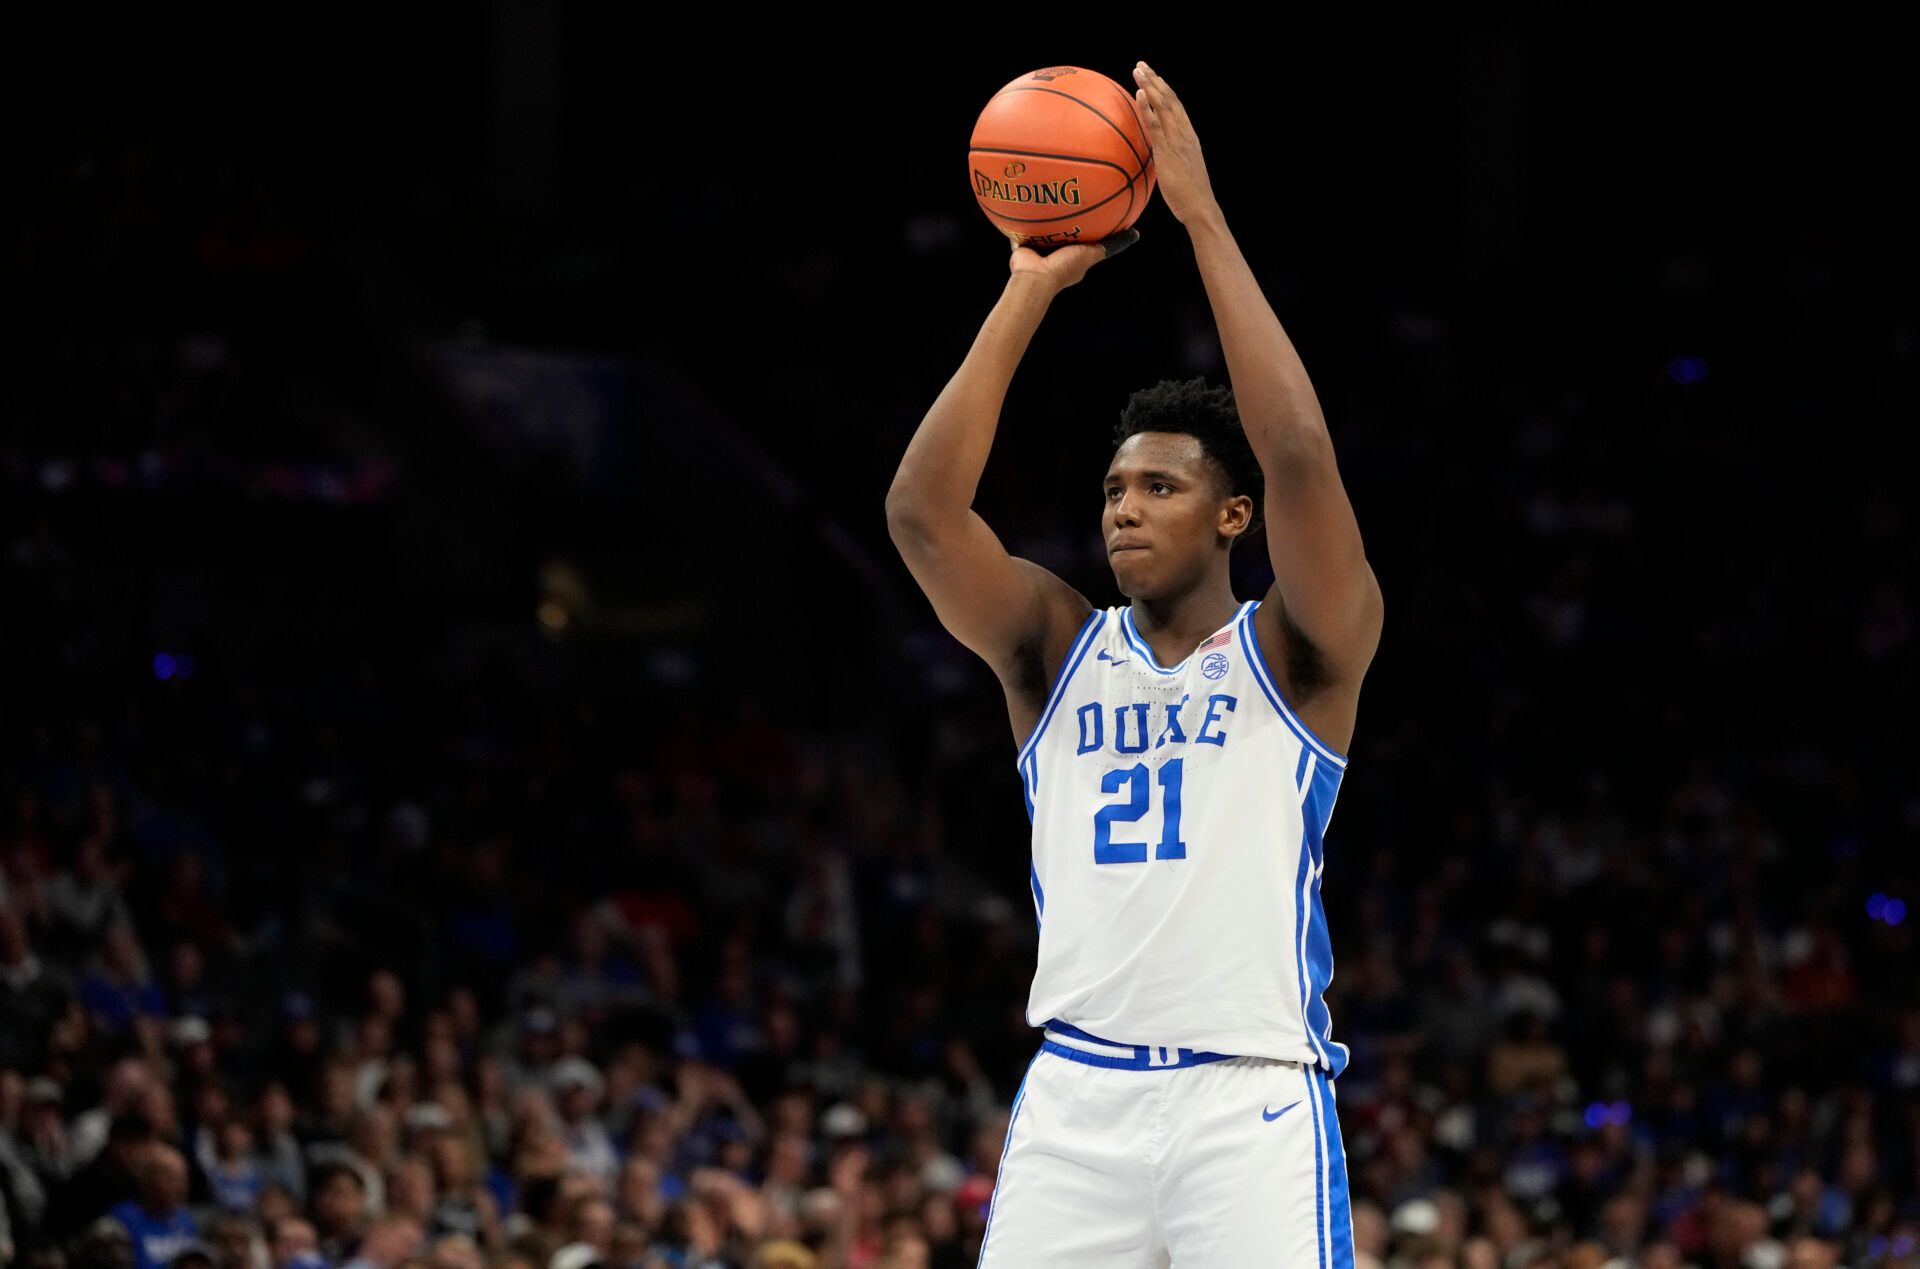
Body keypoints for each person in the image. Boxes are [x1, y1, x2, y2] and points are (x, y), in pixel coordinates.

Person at [885, 60, 1384, 1265]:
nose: (1124, 507)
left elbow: (1299, 453)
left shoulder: (1298, 654)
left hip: (1248, 1102)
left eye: (1161, 486)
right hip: (1077, 1103)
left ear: (1231, 517)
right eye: (1114, 488)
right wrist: (1028, 286)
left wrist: (1201, 217)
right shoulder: (1057, 647)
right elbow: (920, 517)